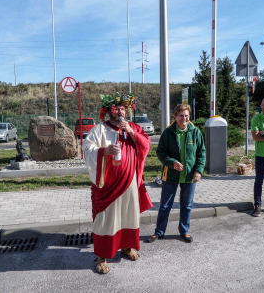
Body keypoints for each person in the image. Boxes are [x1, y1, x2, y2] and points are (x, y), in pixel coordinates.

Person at [83, 92, 152, 274]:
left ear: (126, 110)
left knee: (128, 216)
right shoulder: (99, 130)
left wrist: (130, 131)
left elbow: (146, 145)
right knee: (106, 221)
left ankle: (127, 247)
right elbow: (87, 149)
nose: (119, 112)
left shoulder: (133, 127)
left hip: (129, 183)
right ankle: (102, 255)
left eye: (122, 108)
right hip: (107, 186)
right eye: (116, 108)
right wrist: (104, 152)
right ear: (109, 111)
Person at [146, 104, 206, 243]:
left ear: (189, 117)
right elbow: (160, 153)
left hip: (189, 175)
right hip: (170, 175)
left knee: (187, 205)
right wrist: (172, 162)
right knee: (165, 205)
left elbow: (201, 153)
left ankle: (184, 231)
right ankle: (159, 232)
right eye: (181, 115)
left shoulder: (195, 131)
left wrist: (198, 170)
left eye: (186, 115)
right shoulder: (168, 132)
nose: (184, 118)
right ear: (175, 116)